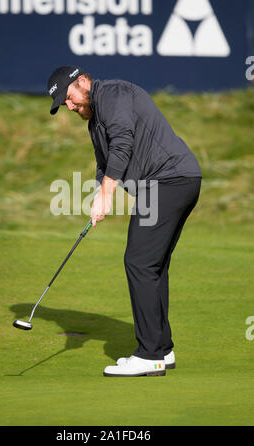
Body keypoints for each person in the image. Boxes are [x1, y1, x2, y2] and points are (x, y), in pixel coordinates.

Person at [47, 65, 202, 377]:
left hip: (169, 181)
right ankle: (162, 348)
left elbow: (123, 142)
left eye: (70, 97)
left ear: (82, 82)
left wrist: (107, 194)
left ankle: (149, 355)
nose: (70, 105)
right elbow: (105, 164)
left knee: (139, 262)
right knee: (152, 265)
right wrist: (98, 198)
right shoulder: (95, 123)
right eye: (64, 104)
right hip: (166, 184)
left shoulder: (114, 94)